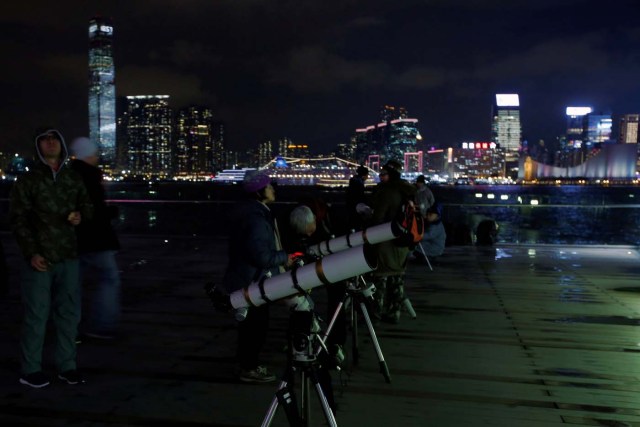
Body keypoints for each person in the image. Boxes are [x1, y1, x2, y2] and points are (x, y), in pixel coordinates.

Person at [9, 128, 93, 388]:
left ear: (62, 145)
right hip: (40, 258)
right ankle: (30, 368)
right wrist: (31, 252)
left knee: (69, 315)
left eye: (54, 138)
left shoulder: (72, 178)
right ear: (38, 147)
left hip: (68, 256)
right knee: (37, 314)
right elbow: (18, 219)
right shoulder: (28, 180)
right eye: (45, 139)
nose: (50, 143)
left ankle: (67, 366)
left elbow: (87, 207)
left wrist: (80, 215)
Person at [222, 171, 294, 383]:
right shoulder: (256, 218)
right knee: (256, 327)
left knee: (249, 328)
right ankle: (249, 368)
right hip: (253, 281)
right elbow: (261, 256)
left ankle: (245, 364)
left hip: (243, 278)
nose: (273, 189)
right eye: (270, 186)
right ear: (260, 191)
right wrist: (285, 257)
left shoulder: (247, 212)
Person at [69, 137, 121, 339]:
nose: (96, 157)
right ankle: (103, 325)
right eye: (94, 154)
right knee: (109, 279)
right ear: (89, 155)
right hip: (96, 239)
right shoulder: (90, 177)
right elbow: (94, 211)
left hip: (76, 239)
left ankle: (70, 324)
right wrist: (112, 212)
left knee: (73, 284)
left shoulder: (70, 176)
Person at [370, 159, 416, 324]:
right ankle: (393, 313)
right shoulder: (407, 191)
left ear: (390, 174)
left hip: (386, 240)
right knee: (397, 279)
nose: (381, 176)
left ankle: (374, 314)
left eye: (383, 173)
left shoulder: (387, 192)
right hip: (403, 240)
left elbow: (377, 217)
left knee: (380, 278)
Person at [346, 165, 369, 231]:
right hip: (356, 208)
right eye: (367, 175)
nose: (367, 177)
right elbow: (360, 197)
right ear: (363, 175)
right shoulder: (359, 184)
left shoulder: (354, 182)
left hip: (352, 207)